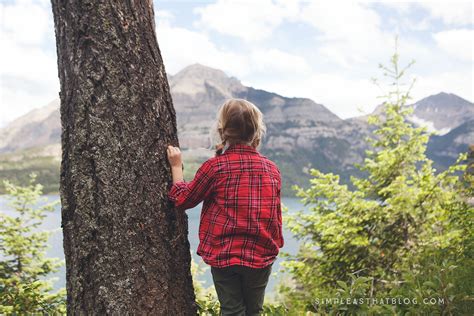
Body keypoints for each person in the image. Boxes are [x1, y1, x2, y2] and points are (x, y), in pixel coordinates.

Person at [167, 98, 284, 316]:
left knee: (232, 310)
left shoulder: (215, 167)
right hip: (260, 256)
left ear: (222, 131)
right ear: (256, 133)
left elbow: (183, 200)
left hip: (225, 255)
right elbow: (275, 217)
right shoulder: (272, 169)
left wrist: (176, 167)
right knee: (254, 311)